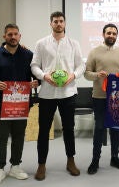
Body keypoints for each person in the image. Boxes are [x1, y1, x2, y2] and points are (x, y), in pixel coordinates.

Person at [30, 11, 85, 180]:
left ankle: (71, 161)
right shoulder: (41, 43)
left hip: (68, 93)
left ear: (65, 23)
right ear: (51, 24)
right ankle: (41, 165)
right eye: (55, 21)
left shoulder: (73, 43)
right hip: (47, 93)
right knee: (44, 130)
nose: (59, 24)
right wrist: (45, 76)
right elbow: (34, 66)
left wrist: (73, 76)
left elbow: (81, 65)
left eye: (61, 21)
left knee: (69, 129)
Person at [0, 24, 39, 186]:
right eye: (9, 34)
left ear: (20, 36)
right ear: (4, 37)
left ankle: (15, 166)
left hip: (21, 105)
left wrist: (36, 82)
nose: (13, 37)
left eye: (15, 34)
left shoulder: (28, 55)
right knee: (0, 137)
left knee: (18, 136)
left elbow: (37, 73)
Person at [84, 23, 119, 174]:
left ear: (117, 36)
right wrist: (97, 75)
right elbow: (86, 73)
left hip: (117, 98)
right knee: (99, 128)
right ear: (103, 35)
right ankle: (95, 160)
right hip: (99, 97)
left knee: (115, 129)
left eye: (114, 33)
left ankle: (114, 157)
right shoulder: (94, 52)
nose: (111, 35)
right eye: (108, 33)